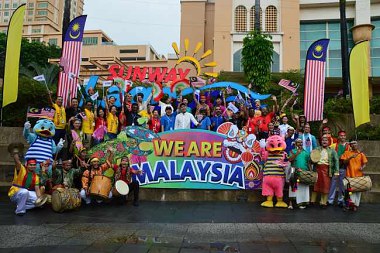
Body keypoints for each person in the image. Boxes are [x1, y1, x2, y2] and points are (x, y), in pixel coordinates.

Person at [310, 135, 339, 208]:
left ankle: (323, 202)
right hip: (317, 169)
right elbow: (312, 159)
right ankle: (312, 201)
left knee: (326, 186)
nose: (324, 141)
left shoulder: (332, 151)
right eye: (323, 140)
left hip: (327, 170)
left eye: (326, 140)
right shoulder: (316, 149)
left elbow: (336, 161)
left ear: (329, 142)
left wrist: (336, 171)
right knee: (314, 185)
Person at [340, 141, 368, 211]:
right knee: (349, 191)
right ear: (350, 145)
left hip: (359, 176)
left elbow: (364, 163)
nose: (354, 145)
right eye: (352, 143)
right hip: (350, 176)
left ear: (357, 145)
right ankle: (349, 205)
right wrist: (351, 157)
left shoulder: (361, 154)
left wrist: (362, 167)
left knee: (358, 191)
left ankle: (355, 205)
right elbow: (344, 162)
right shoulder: (347, 153)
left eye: (355, 143)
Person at [327, 130, 350, 207]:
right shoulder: (333, 145)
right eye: (341, 135)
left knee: (342, 185)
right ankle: (330, 200)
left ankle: (341, 200)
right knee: (333, 184)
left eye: (344, 135)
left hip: (344, 167)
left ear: (345, 137)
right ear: (338, 137)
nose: (342, 137)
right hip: (335, 168)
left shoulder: (349, 146)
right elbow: (328, 153)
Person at [288, 138, 310, 209]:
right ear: (295, 144)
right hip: (294, 171)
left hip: (303, 172)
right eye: (298, 142)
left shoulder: (306, 152)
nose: (300, 144)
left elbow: (308, 163)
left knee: (302, 188)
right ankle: (291, 204)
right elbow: (290, 160)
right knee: (292, 187)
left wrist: (310, 172)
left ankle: (301, 203)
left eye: (301, 142)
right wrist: (296, 153)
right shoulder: (292, 151)